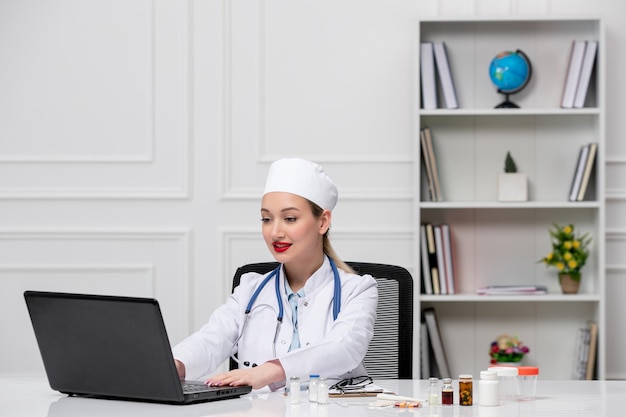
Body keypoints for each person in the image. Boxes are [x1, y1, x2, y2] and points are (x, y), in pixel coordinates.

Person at [172, 157, 378, 391]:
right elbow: (211, 339)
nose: (275, 232)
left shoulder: (358, 290)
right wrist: (173, 366)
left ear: (323, 222)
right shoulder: (250, 290)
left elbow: (345, 347)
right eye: (266, 219)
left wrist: (270, 370)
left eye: (290, 218)